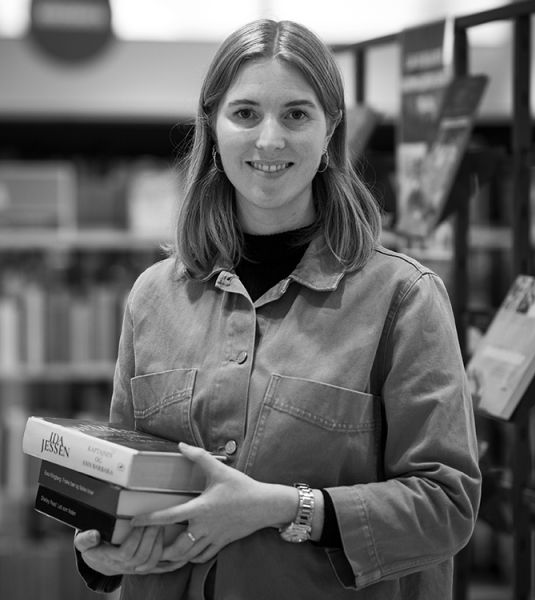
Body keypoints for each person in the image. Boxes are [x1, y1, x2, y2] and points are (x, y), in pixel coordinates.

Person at [74, 18, 481, 600]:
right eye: (245, 114)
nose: (270, 140)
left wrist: (286, 509)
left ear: (330, 129)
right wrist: (107, 555)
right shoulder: (152, 298)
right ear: (212, 128)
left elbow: (448, 506)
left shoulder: (403, 299)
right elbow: (123, 484)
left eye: (296, 114)